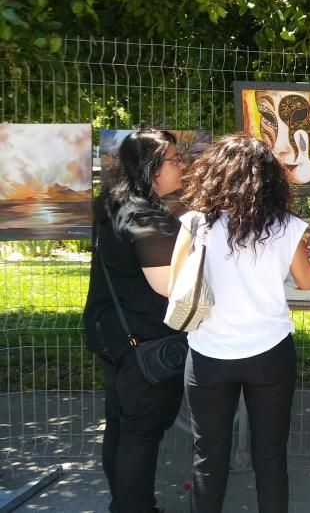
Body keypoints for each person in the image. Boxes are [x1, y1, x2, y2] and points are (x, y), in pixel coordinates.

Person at [169, 134, 310, 513]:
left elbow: (174, 285)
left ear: (215, 173)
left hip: (207, 355)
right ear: (269, 178)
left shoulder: (194, 223)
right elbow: (308, 281)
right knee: (270, 456)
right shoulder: (286, 225)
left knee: (208, 455)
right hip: (269, 353)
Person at [82, 128, 188, 513]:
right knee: (141, 434)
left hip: (114, 336)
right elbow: (172, 287)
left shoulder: (115, 205)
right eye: (175, 159)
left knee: (123, 427)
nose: (182, 165)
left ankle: (124, 504)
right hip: (144, 344)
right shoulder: (144, 217)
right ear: (152, 168)